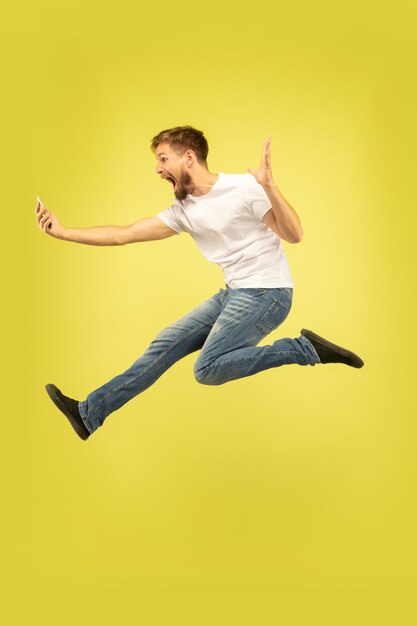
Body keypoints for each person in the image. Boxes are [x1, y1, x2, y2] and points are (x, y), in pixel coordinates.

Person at [35, 125, 364, 441]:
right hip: (233, 294)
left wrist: (269, 186)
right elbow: (124, 234)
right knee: (164, 345)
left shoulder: (244, 188)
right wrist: (63, 232)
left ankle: (304, 349)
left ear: (188, 158)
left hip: (268, 294)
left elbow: (294, 235)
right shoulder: (183, 210)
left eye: (163, 158)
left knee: (206, 369)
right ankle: (89, 413)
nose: (157, 169)